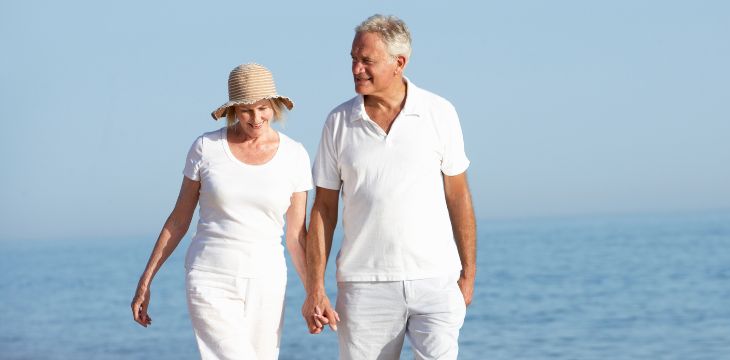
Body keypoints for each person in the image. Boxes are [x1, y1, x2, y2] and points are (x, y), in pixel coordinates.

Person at [301, 14, 477, 360]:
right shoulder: (338, 122)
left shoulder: (439, 112)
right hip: (364, 285)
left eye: (367, 61)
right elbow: (322, 209)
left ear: (399, 63)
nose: (356, 69)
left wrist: (467, 274)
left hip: (436, 280)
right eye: (353, 59)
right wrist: (315, 288)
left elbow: (458, 196)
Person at [130, 63, 314, 360]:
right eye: (246, 110)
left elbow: (296, 235)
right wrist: (145, 281)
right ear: (233, 111)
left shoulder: (295, 155)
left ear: (274, 107)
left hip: (266, 279)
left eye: (263, 108)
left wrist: (313, 293)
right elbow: (178, 220)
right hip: (210, 276)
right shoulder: (206, 148)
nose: (256, 118)